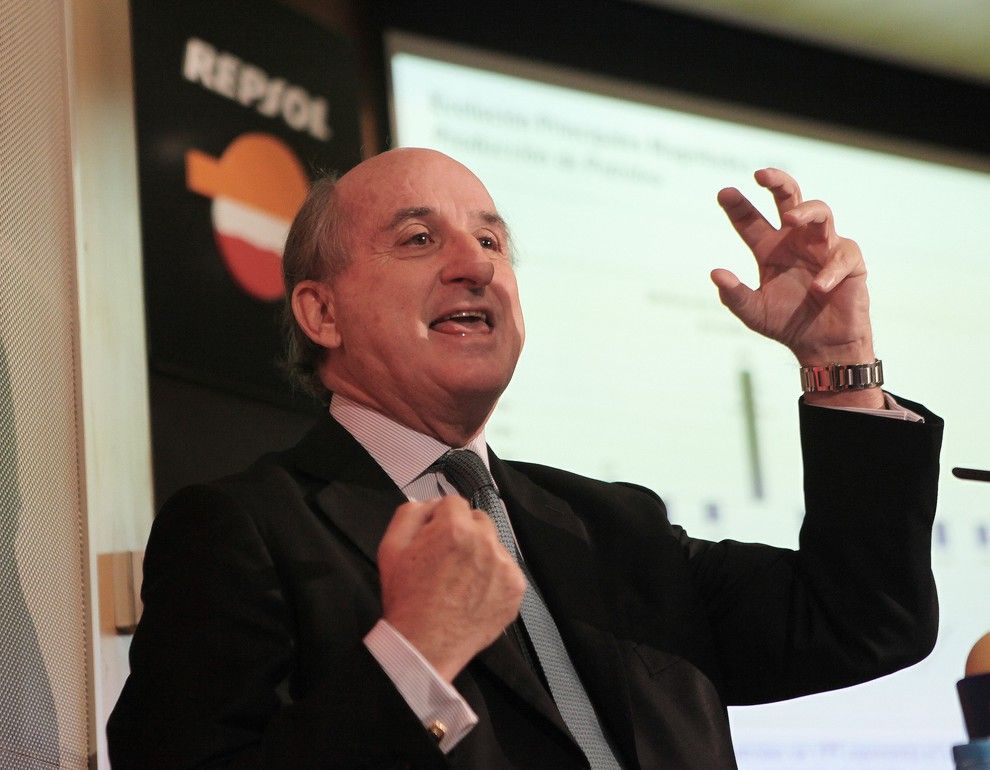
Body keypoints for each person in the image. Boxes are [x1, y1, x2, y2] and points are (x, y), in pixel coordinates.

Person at [107, 148, 942, 769]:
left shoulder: (615, 528)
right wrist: (413, 658)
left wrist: (840, 360)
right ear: (321, 313)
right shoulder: (246, 530)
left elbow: (863, 620)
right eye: (419, 238)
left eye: (492, 240)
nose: (476, 264)